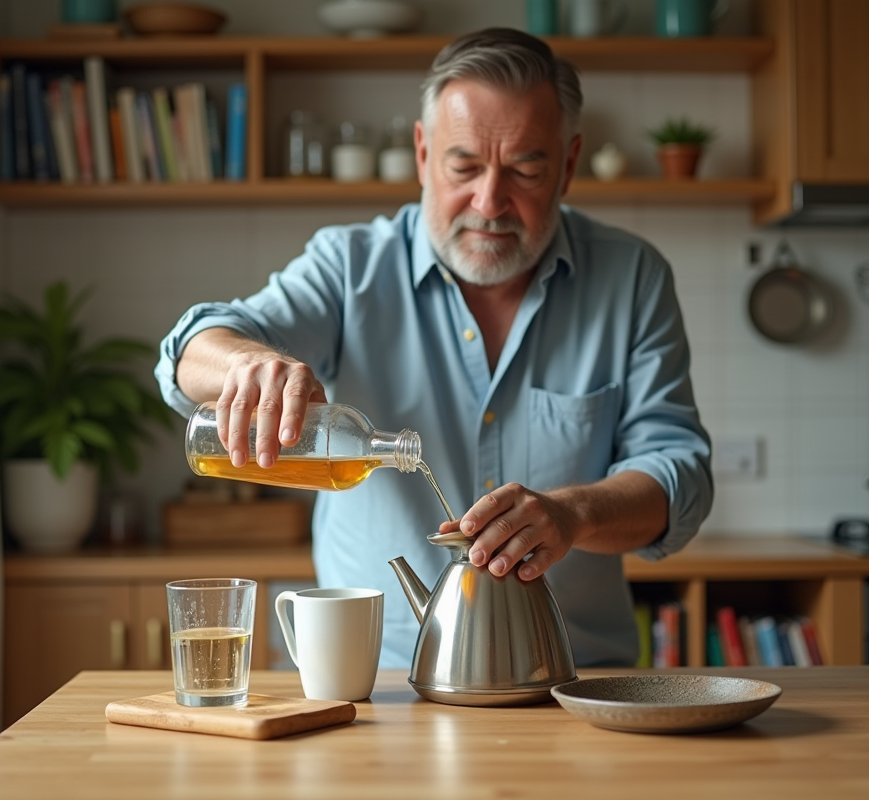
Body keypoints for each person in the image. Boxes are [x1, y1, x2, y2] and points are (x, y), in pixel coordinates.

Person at [156, 27, 713, 669]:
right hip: (376, 689)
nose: (489, 201)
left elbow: (681, 477)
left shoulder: (633, 277)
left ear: (568, 164)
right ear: (422, 154)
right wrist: (243, 362)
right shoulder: (348, 267)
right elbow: (187, 353)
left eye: (526, 167)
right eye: (464, 166)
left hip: (578, 684)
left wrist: (573, 511)